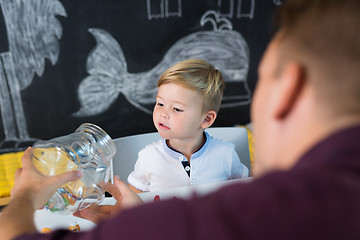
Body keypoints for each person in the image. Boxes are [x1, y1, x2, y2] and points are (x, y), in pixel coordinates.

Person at [1, 0, 360, 239]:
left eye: (263, 76)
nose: (163, 115)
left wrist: (25, 197)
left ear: (288, 89)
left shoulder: (235, 214)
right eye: (160, 104)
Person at [128, 59, 249, 193]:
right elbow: (135, 192)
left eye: (177, 109)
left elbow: (243, 192)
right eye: (160, 104)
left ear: (206, 119)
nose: (163, 114)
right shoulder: (148, 157)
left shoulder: (226, 154)